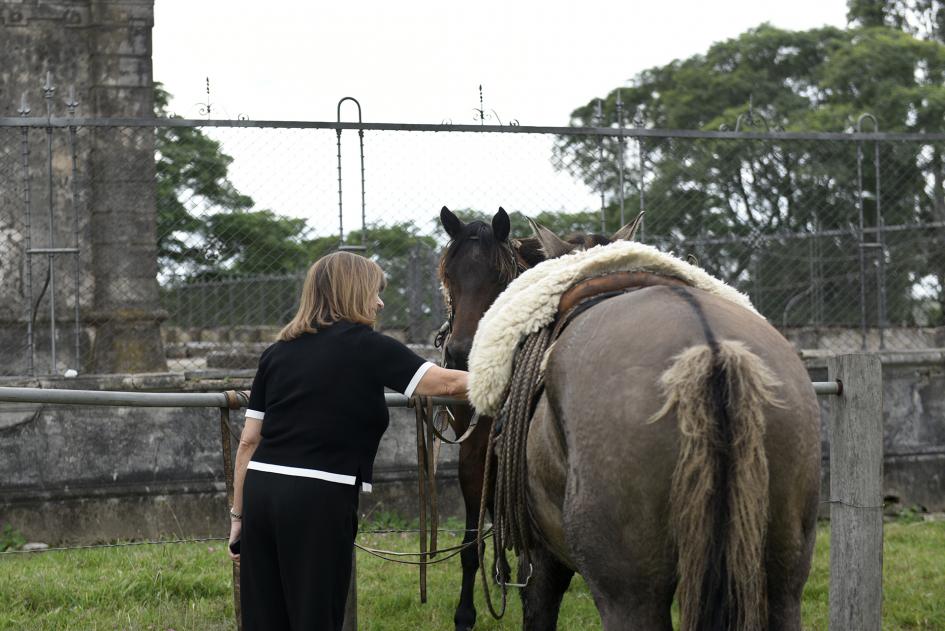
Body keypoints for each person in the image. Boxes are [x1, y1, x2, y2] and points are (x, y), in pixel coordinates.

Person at [226, 251, 468, 630]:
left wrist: (238, 517)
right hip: (318, 498)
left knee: (264, 618)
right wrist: (522, 371)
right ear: (353, 293)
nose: (380, 302)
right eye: (375, 292)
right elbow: (449, 382)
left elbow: (248, 443)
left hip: (261, 492)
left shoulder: (276, 353)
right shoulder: (367, 346)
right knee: (315, 615)